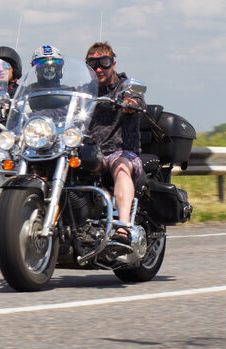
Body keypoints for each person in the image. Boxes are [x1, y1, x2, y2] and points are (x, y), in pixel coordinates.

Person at [86, 41, 146, 246]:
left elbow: (136, 99)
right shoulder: (84, 90)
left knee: (120, 167)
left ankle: (123, 226)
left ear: (113, 63)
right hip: (90, 152)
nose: (99, 69)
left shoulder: (125, 86)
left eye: (104, 62)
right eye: (93, 64)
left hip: (120, 152)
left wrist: (130, 103)